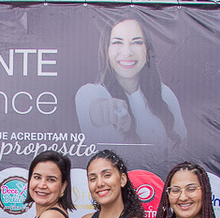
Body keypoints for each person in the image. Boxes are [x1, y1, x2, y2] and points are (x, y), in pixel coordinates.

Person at [74, 16, 186, 146]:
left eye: (136, 42)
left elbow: (181, 146)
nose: (127, 52)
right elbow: (96, 109)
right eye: (118, 42)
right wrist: (108, 110)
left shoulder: (165, 94)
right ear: (106, 49)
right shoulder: (90, 92)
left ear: (147, 49)